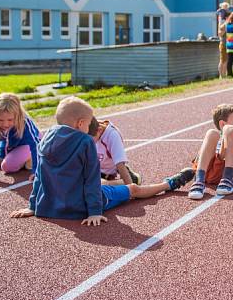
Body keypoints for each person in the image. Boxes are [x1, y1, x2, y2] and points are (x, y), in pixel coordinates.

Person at [11, 97, 194, 226]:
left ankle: (123, 182)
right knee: (133, 190)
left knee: (103, 182)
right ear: (81, 123)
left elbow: (39, 177)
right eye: (90, 122)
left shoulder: (46, 137)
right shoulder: (85, 142)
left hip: (49, 206)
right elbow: (91, 180)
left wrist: (33, 205)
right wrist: (94, 211)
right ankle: (168, 184)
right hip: (80, 206)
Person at [187, 103, 233, 200]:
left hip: (225, 169)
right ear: (222, 124)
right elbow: (204, 154)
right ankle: (199, 180)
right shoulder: (215, 137)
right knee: (211, 132)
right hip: (207, 169)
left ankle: (227, 178)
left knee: (230, 130)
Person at [0, 93, 40, 185]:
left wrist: (37, 171)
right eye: (0, 120)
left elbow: (35, 145)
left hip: (27, 144)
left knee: (7, 166)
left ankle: (28, 159)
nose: (5, 124)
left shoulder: (25, 122)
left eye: (10, 120)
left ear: (17, 116)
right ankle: (15, 158)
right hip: (9, 143)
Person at [88, 117, 141, 185]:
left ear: (99, 130)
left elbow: (120, 165)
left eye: (90, 141)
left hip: (108, 171)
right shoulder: (89, 126)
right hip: (96, 169)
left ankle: (134, 179)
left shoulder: (112, 136)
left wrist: (131, 190)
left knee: (97, 186)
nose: (87, 143)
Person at [216, 2, 229, 78]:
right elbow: (220, 32)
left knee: (226, 60)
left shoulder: (226, 17)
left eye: (227, 7)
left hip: (228, 42)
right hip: (223, 42)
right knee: (222, 60)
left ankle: (224, 74)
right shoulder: (221, 18)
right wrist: (225, 24)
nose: (226, 9)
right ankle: (221, 75)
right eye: (224, 7)